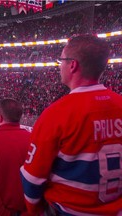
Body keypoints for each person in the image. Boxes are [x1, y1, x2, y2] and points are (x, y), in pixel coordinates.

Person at [20, 34, 122, 216]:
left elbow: (32, 179)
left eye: (61, 60)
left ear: (73, 65)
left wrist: (36, 211)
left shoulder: (56, 114)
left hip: (68, 211)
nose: (60, 66)